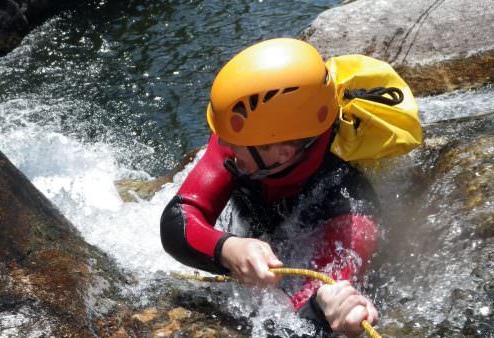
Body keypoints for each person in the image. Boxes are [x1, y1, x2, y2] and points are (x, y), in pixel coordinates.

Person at [161, 38, 380, 337]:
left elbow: (291, 324)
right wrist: (228, 248)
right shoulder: (251, 142)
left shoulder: (351, 211)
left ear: (282, 154)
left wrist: (323, 308)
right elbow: (178, 219)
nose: (221, 144)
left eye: (232, 141)